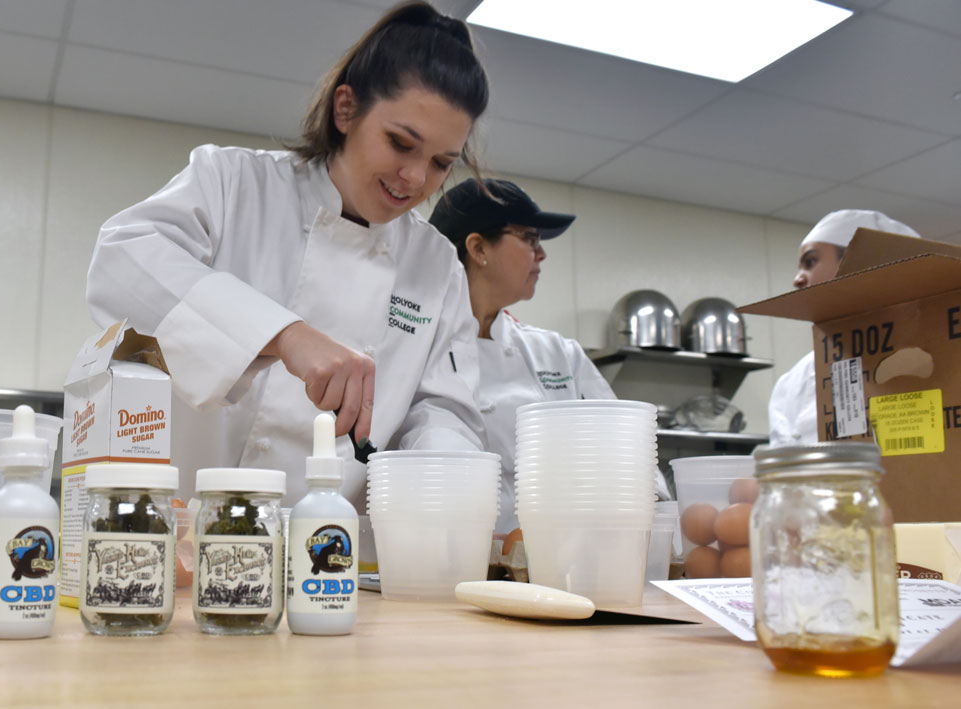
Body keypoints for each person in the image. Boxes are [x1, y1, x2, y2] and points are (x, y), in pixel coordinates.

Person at [86, 2, 489, 506]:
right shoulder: (233, 184)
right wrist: (284, 334)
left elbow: (441, 408)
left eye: (440, 163)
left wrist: (443, 479)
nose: (415, 178)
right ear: (346, 109)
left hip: (330, 556)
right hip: (185, 536)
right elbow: (124, 260)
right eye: (399, 143)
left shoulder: (435, 264)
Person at [429, 179, 668, 535]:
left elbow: (626, 443)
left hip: (557, 563)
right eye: (529, 239)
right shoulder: (419, 348)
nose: (541, 254)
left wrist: (660, 517)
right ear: (478, 247)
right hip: (447, 558)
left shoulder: (558, 354)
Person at [768, 209, 921, 445]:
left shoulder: (936, 355)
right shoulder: (794, 383)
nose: (797, 279)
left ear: (859, 264)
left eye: (810, 262)